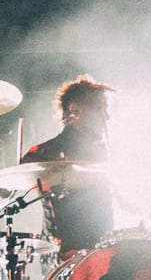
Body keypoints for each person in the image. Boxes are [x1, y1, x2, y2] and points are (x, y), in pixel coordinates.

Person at [19, 77, 115, 251]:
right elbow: (24, 169)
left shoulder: (103, 153)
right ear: (74, 110)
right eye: (99, 108)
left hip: (104, 252)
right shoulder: (47, 153)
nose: (106, 116)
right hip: (65, 256)